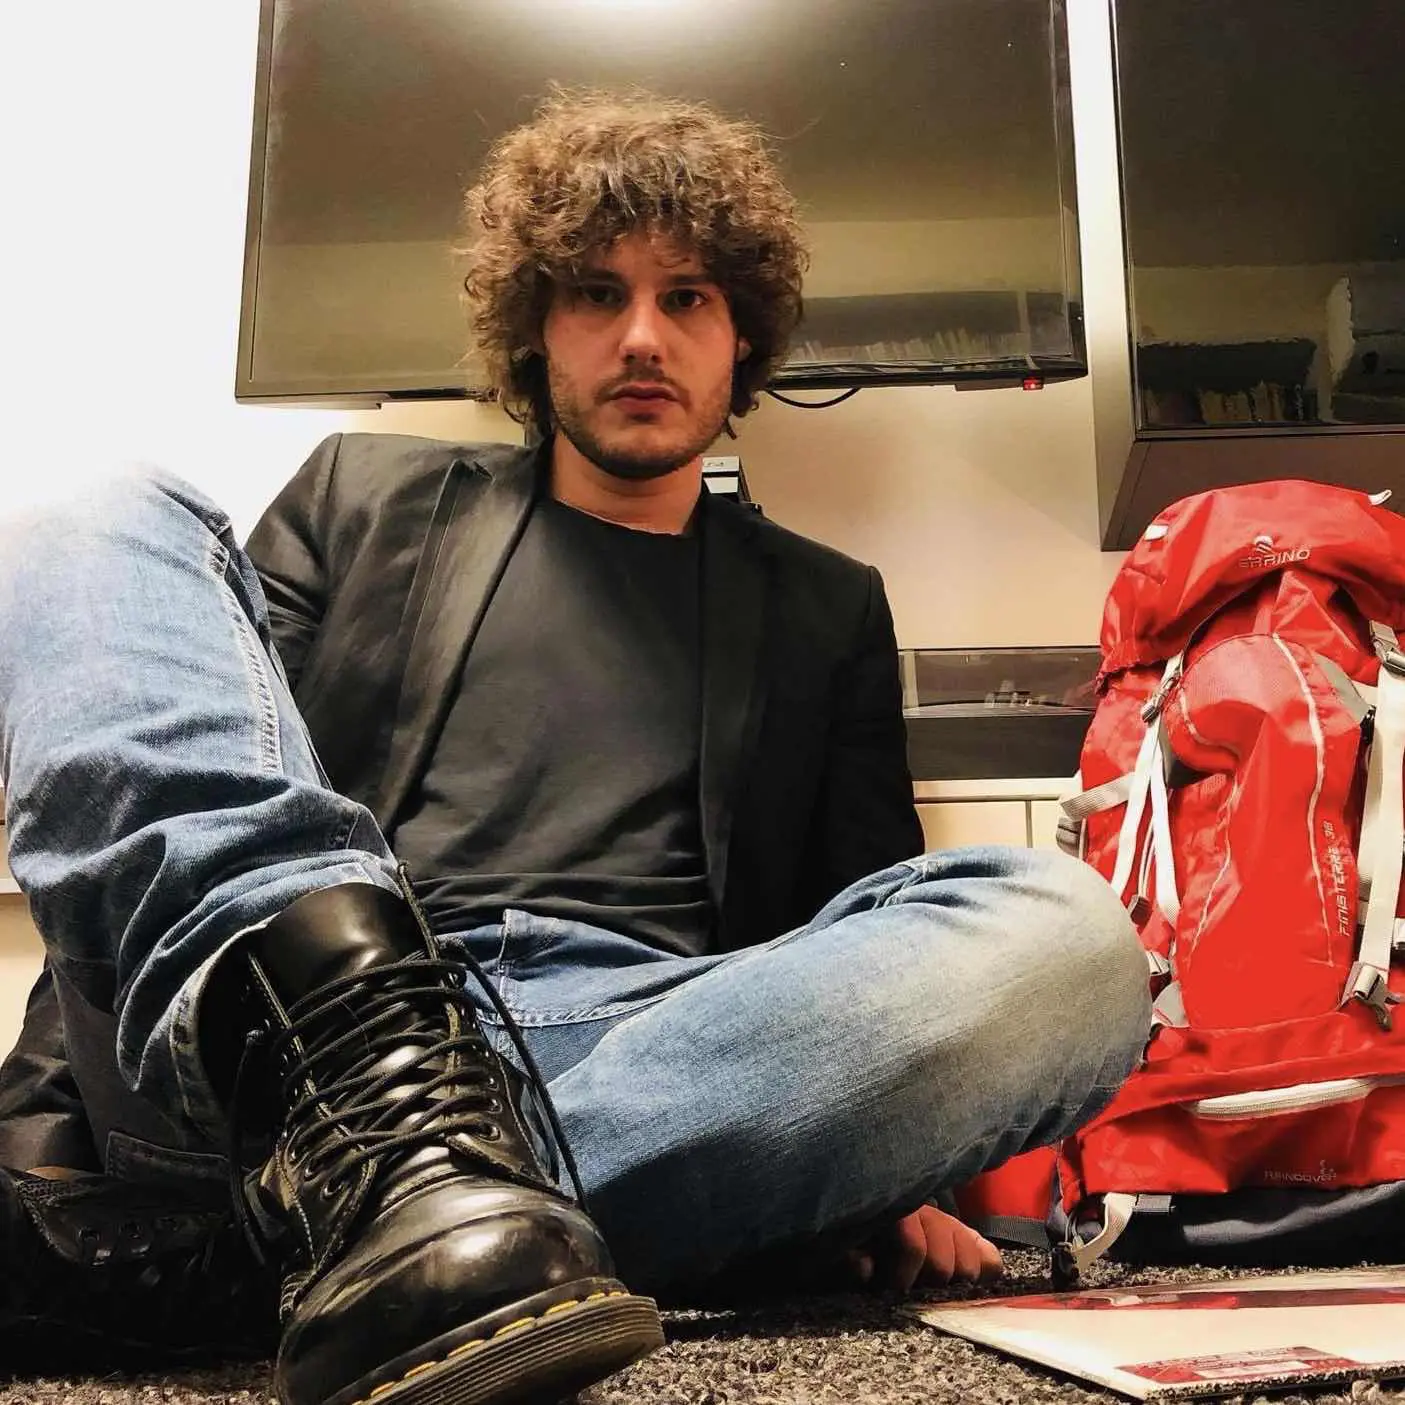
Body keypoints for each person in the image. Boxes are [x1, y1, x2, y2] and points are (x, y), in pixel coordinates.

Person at [0, 89, 1152, 1405]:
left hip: (642, 1058)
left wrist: (888, 1158)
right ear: (536, 329)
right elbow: (184, 812)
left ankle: (333, 1233)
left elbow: (863, 920)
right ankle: (393, 1189)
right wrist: (37, 1141)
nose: (642, 335)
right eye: (598, 294)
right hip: (292, 1043)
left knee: (1071, 946)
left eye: (688, 297)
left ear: (741, 335)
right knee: (95, 518)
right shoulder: (360, 502)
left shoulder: (825, 606)